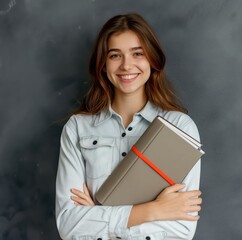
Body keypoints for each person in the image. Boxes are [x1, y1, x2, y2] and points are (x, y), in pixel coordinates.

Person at [55, 13, 202, 240]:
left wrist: (96, 214)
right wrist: (152, 211)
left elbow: (181, 230)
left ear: (152, 60)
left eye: (137, 53)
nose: (126, 65)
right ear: (103, 64)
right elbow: (68, 225)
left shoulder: (180, 127)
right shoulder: (77, 128)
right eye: (115, 55)